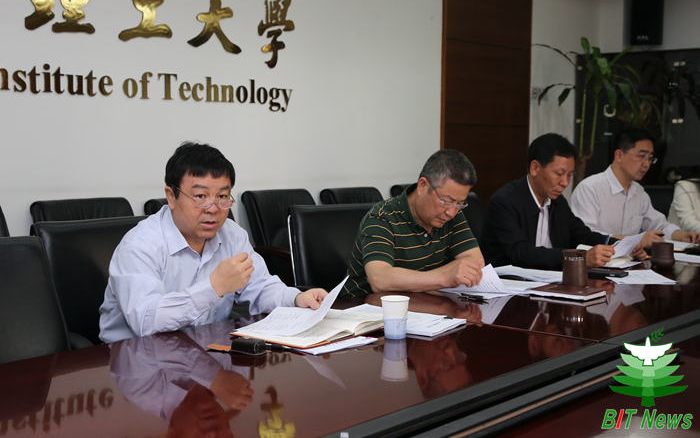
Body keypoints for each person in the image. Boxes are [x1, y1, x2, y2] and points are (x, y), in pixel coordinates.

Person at [99, 142, 327, 343]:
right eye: (200, 196)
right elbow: (146, 321)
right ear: (171, 196)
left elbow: (261, 288)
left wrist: (296, 298)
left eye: (222, 197)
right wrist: (214, 287)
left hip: (204, 352)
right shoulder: (139, 246)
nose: (213, 208)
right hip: (135, 360)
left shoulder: (232, 235)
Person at [341, 150, 484, 297]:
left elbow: (476, 262)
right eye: (446, 201)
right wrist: (444, 278)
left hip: (419, 304)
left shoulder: (451, 215)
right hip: (361, 305)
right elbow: (380, 279)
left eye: (460, 204)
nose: (452, 212)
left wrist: (419, 281)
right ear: (423, 186)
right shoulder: (382, 217)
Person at [480, 133, 632, 269]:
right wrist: (579, 258)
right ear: (535, 168)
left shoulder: (558, 202)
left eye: (569, 175)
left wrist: (620, 246)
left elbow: (583, 235)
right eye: (559, 173)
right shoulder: (504, 202)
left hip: (552, 281)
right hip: (511, 285)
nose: (565, 183)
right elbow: (521, 252)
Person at [571, 128, 700, 246]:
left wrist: (683, 235)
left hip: (631, 261)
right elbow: (586, 236)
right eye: (641, 156)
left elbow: (659, 227)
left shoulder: (639, 192)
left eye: (650, 158)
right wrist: (637, 240)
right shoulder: (590, 189)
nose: (646, 164)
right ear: (619, 156)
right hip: (597, 261)